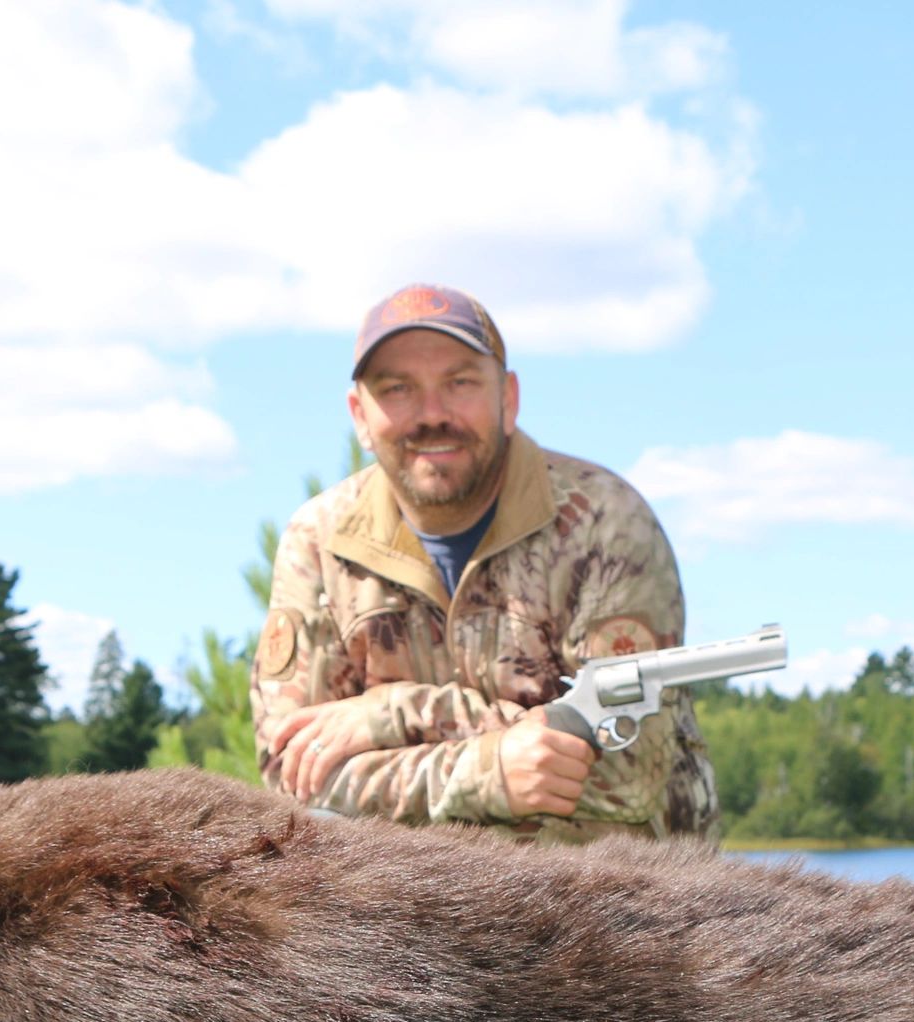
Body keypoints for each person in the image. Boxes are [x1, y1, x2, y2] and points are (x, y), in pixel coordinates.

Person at [252, 284, 720, 842]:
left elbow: (625, 775)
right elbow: (294, 772)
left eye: (460, 383)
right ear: (359, 415)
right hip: (404, 902)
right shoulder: (318, 541)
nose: (432, 415)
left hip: (618, 903)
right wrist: (489, 772)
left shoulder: (606, 523)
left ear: (508, 399)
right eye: (397, 389)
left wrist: (391, 715)